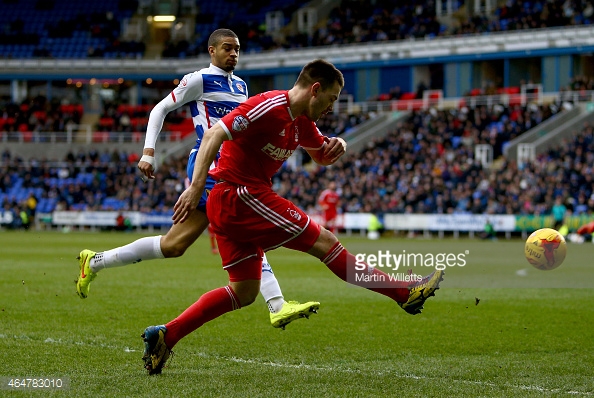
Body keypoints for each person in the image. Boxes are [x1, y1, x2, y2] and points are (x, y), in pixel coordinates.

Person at [141, 59, 444, 375]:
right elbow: (212, 135)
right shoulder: (268, 106)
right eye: (332, 99)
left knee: (244, 291)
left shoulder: (302, 122)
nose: (331, 107)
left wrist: (335, 147)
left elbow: (320, 155)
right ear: (315, 89)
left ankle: (167, 334)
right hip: (239, 195)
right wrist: (194, 188)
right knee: (326, 243)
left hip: (233, 202)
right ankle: (403, 294)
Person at [75, 28, 319, 330]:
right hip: (210, 166)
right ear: (211, 51)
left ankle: (95, 261)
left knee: (174, 245)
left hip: (232, 168)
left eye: (237, 49)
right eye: (227, 48)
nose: (233, 54)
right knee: (246, 227)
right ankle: (277, 304)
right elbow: (160, 108)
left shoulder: (242, 86)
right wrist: (149, 152)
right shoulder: (199, 79)